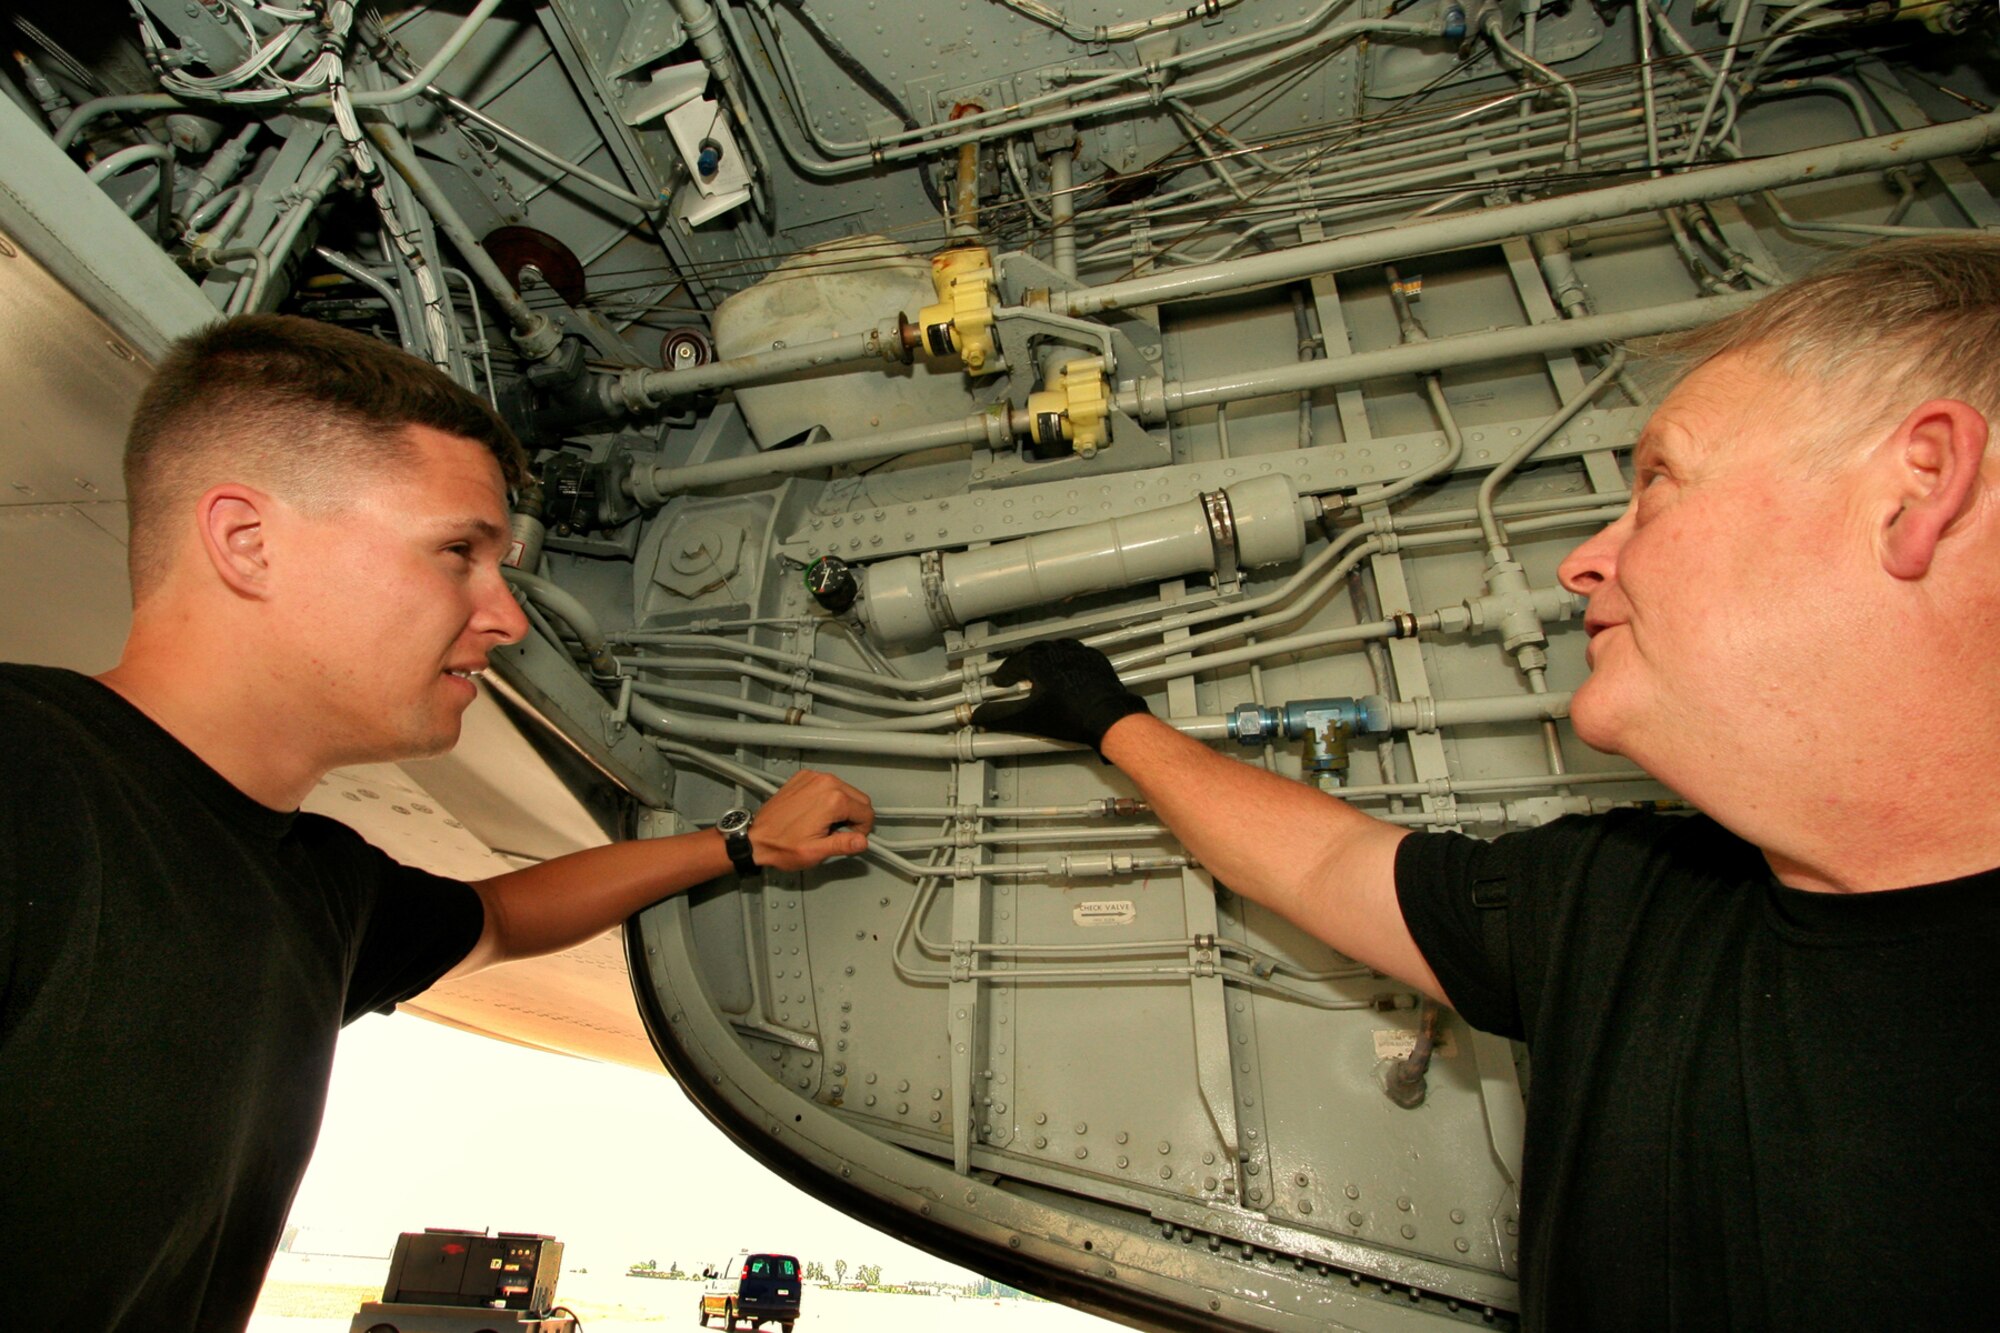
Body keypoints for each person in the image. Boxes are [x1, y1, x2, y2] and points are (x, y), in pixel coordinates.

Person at [972, 237, 2000, 1329]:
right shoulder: (1626, 899)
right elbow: (1325, 860)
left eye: (1656, 482)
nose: (1581, 563)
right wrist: (1110, 719)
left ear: (1916, 485)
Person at [0, 315, 874, 1331]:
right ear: (247, 542)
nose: (505, 618)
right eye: (457, 550)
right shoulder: (23, 776)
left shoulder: (311, 882)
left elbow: (499, 916)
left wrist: (740, 845)